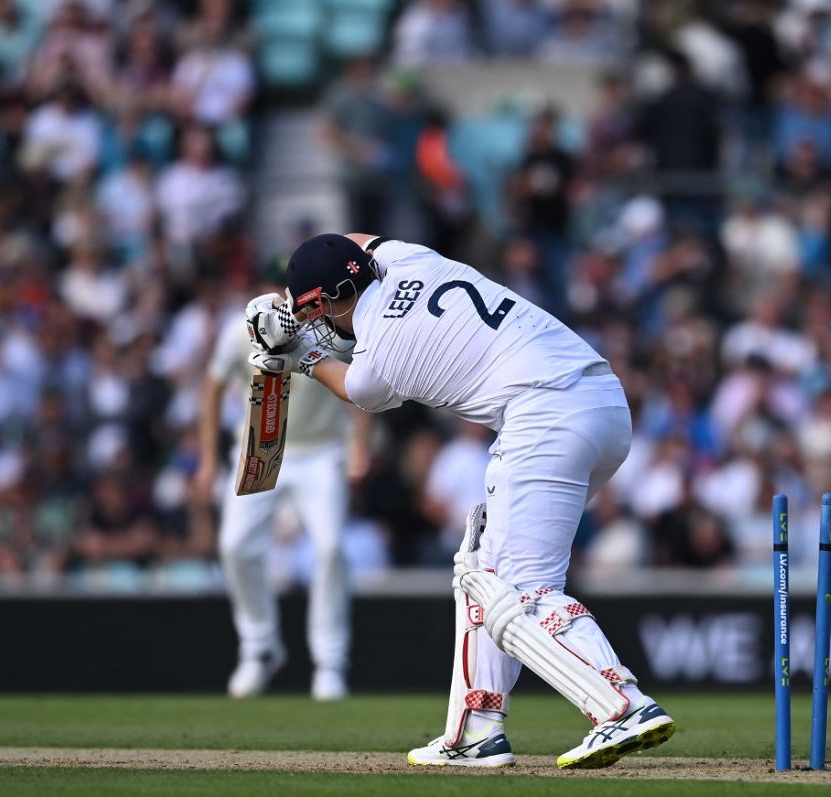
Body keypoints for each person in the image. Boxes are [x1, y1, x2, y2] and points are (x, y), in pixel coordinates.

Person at [245, 233, 674, 769]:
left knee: (520, 591)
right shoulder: (407, 258)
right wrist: (295, 305)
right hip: (603, 403)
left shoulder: (379, 353)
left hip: (545, 413)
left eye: (312, 307)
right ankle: (475, 729)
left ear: (328, 299)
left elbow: (353, 387)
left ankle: (623, 705)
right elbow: (356, 241)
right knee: (479, 567)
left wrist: (298, 354)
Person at [196, 266, 370, 701]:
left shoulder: (325, 330)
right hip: (259, 447)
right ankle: (259, 648)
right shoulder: (239, 332)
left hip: (322, 452)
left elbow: (364, 383)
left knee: (330, 549)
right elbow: (213, 388)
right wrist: (205, 461)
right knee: (234, 546)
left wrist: (358, 446)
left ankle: (330, 663)